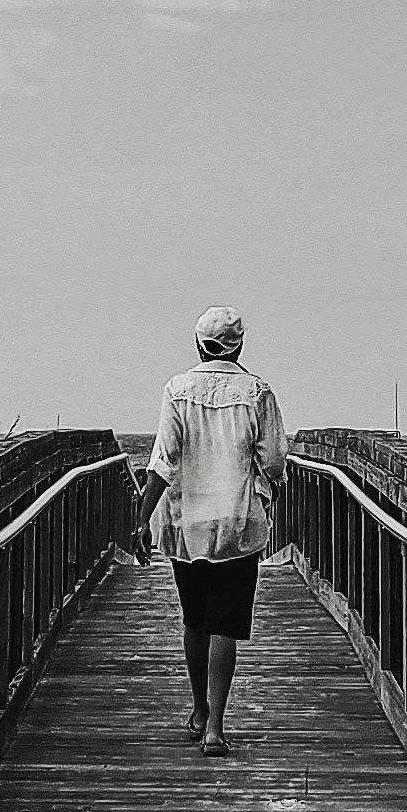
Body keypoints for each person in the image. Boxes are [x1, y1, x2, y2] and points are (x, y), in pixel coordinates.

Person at [143, 305, 288, 755]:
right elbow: (274, 460)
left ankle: (199, 707)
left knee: (195, 619)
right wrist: (271, 491)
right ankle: (216, 728)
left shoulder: (177, 389)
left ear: (198, 345)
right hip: (238, 520)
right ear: (239, 345)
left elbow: (163, 460)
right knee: (225, 621)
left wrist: (140, 516)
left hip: (188, 521)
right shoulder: (258, 391)